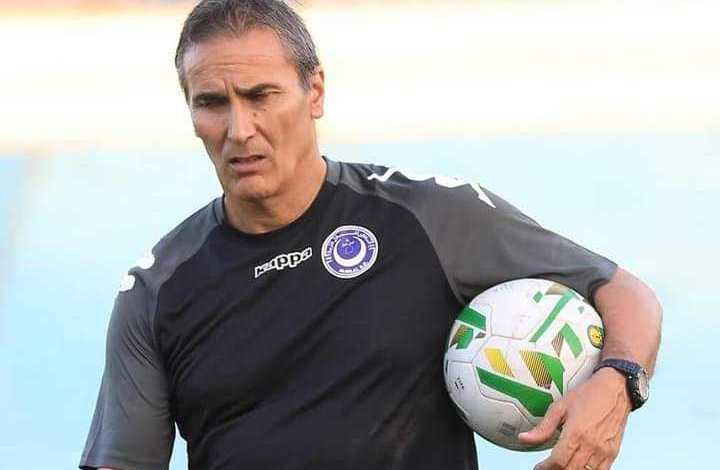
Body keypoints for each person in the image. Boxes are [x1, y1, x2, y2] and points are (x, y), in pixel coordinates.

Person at [79, 1, 662, 469]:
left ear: (315, 92)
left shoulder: (428, 217)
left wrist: (618, 382)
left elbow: (624, 292)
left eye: (261, 96)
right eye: (211, 104)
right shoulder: (158, 290)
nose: (239, 129)